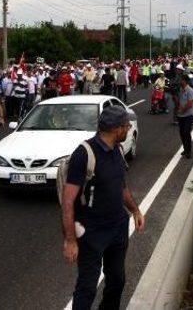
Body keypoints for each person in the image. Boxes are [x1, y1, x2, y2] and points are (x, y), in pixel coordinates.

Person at [61, 105, 145, 310]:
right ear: (117, 128)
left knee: (117, 280)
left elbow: (121, 186)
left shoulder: (117, 149)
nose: (128, 129)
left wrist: (134, 210)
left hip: (117, 227)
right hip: (92, 232)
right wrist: (70, 240)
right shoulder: (84, 154)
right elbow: (68, 201)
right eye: (126, 126)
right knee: (87, 287)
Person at [176, 74, 193, 158]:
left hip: (189, 115)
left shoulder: (190, 90)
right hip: (181, 115)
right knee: (182, 133)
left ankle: (189, 151)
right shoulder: (181, 90)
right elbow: (178, 101)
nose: (180, 81)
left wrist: (182, 110)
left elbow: (190, 104)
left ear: (185, 81)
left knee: (186, 132)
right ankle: (185, 149)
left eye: (181, 80)